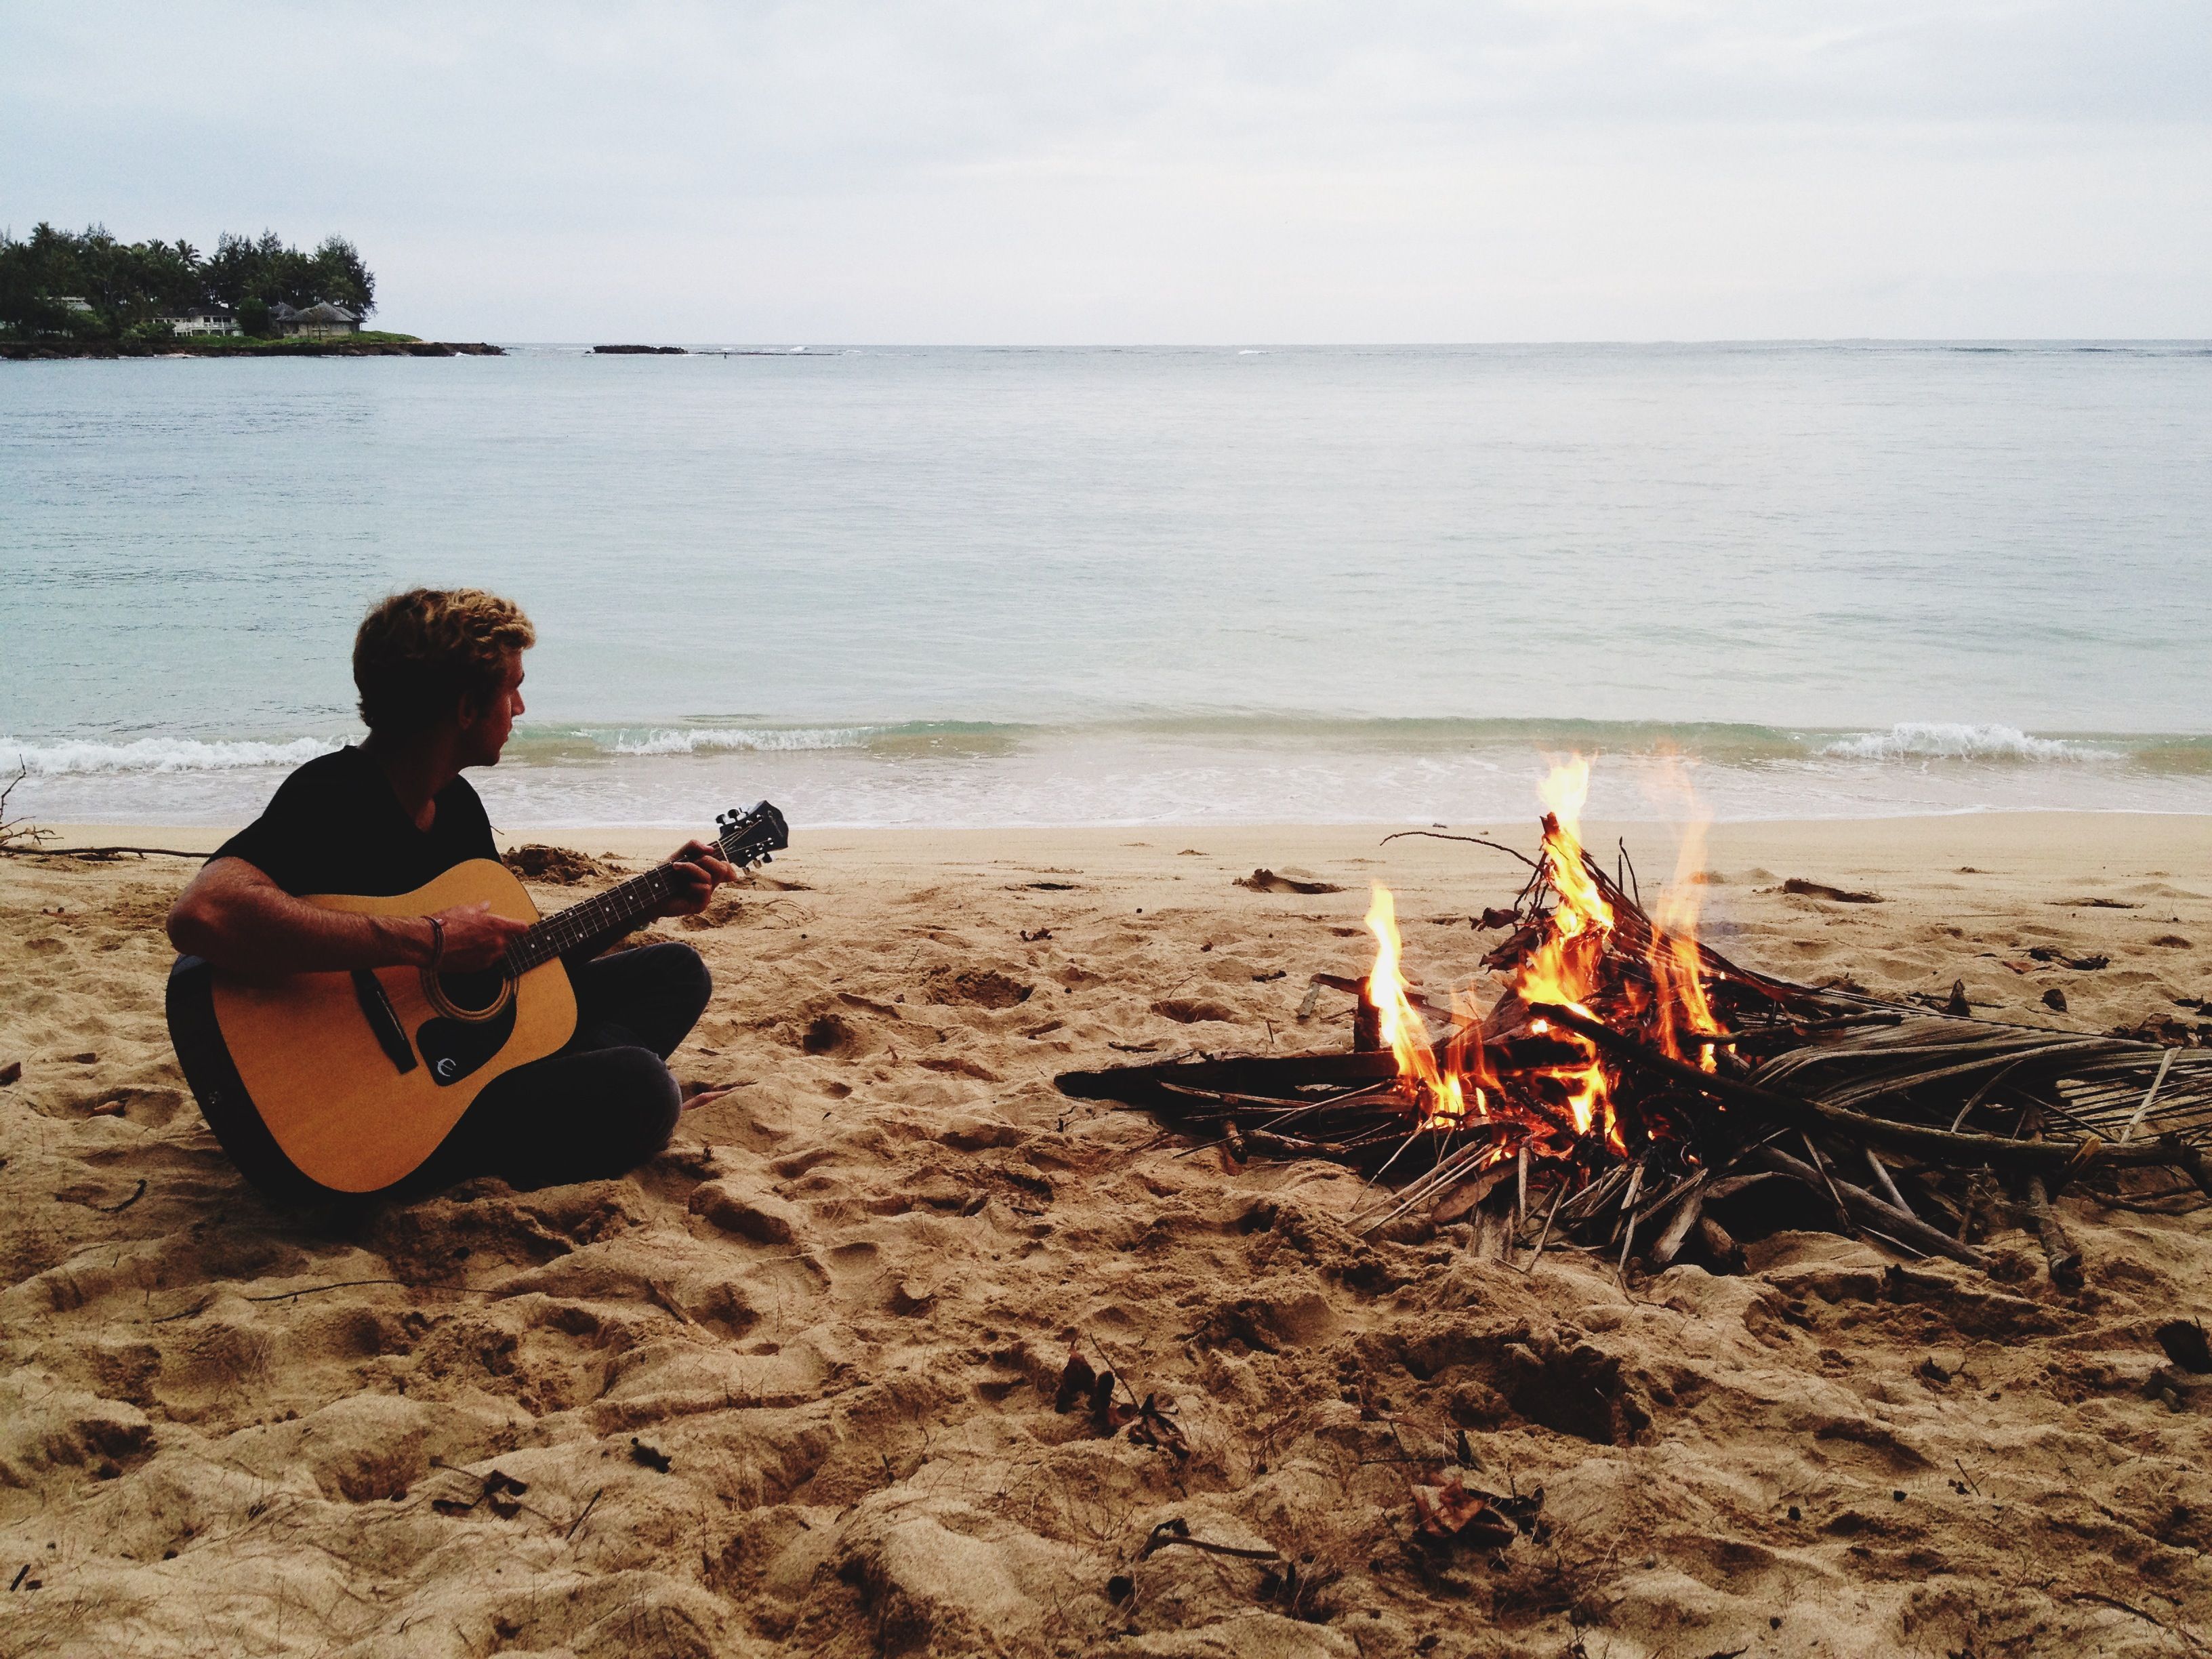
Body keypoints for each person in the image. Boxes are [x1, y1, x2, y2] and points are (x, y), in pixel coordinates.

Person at [165, 588, 735, 1192]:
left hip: (453, 1069)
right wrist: (428, 940)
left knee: (677, 973)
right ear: (466, 707)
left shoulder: (457, 806)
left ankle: (572, 1094)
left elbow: (504, 971)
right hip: (367, 1106)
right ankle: (589, 1107)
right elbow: (202, 914)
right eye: (512, 686)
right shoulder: (336, 793)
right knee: (643, 1087)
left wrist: (649, 901)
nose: (520, 707)